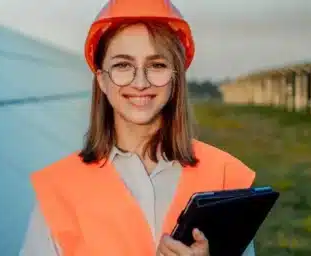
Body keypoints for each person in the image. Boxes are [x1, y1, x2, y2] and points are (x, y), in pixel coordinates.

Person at [20, 0, 257, 255]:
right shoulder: (60, 188)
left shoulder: (224, 177)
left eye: (157, 65)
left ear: (175, 76)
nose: (140, 82)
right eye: (123, 65)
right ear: (101, 79)